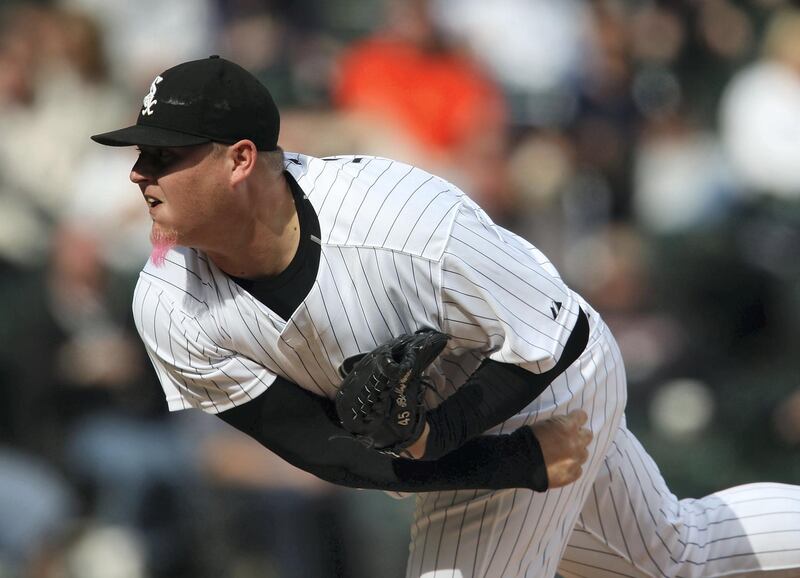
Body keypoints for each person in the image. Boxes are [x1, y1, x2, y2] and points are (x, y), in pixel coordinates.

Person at [90, 56, 800, 578]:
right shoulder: (168, 304)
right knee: (677, 554)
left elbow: (563, 335)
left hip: (544, 377)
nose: (139, 173)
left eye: (164, 153)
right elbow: (331, 454)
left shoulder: (400, 220)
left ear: (240, 159)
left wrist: (507, 453)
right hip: (451, 434)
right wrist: (460, 450)